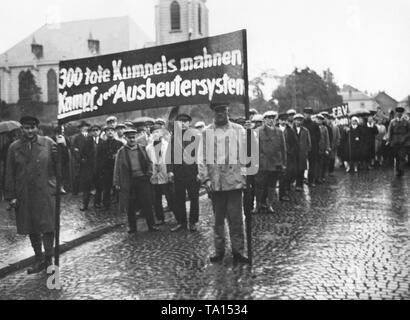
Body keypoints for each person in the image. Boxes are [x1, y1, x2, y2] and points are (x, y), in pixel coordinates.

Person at [5, 116, 58, 274]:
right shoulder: (14, 147)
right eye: (26, 128)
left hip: (45, 191)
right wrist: (11, 195)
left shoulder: (48, 142)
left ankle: (49, 259)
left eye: (32, 127)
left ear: (37, 128)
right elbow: (9, 173)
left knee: (48, 226)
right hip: (25, 193)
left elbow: (60, 162)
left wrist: (62, 147)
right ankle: (39, 259)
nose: (29, 131)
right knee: (32, 227)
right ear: (21, 129)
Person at [198, 102, 249, 264]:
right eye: (217, 111)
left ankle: (238, 251)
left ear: (228, 111)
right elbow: (201, 158)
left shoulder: (239, 130)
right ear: (213, 113)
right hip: (216, 183)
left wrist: (246, 177)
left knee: (236, 219)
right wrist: (205, 179)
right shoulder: (206, 133)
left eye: (223, 111)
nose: (220, 114)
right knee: (218, 220)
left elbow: (247, 155)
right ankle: (219, 250)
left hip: (234, 182)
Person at [113, 128, 160, 233]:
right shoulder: (121, 152)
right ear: (126, 138)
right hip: (129, 181)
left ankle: (151, 225)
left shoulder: (142, 148)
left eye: (133, 137)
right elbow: (117, 168)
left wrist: (149, 173)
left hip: (142, 179)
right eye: (129, 138)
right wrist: (116, 182)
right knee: (130, 205)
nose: (132, 140)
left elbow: (150, 162)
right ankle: (132, 227)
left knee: (147, 203)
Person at [168, 113, 201, 232]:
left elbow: (199, 154)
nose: (182, 124)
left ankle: (193, 222)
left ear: (189, 123)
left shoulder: (195, 136)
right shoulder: (174, 137)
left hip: (192, 172)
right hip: (178, 173)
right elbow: (169, 155)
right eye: (180, 122)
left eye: (185, 121)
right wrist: (170, 171)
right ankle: (181, 222)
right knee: (179, 199)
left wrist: (199, 172)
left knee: (194, 198)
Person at [253, 110, 287, 214]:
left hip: (275, 163)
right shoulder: (258, 131)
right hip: (262, 164)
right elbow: (254, 148)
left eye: (273, 118)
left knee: (272, 185)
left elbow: (283, 148)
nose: (271, 120)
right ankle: (258, 204)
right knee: (259, 186)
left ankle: (269, 204)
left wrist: (284, 163)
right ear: (264, 120)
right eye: (268, 118)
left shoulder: (279, 132)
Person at [146, 125, 175, 225]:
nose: (156, 134)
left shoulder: (167, 145)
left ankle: (176, 215)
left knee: (170, 195)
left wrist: (170, 172)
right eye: (154, 132)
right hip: (154, 175)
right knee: (156, 198)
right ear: (151, 134)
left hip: (165, 172)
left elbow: (171, 160)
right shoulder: (148, 148)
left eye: (158, 132)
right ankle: (160, 218)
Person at [97, 125, 124, 210]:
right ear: (105, 133)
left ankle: (121, 205)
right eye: (108, 130)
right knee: (106, 188)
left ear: (114, 132)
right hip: (106, 170)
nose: (110, 132)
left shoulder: (119, 144)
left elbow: (123, 157)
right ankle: (106, 205)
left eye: (112, 130)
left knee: (119, 187)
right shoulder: (102, 145)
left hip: (117, 169)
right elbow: (99, 158)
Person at [80, 124, 103, 211]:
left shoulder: (102, 142)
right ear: (91, 132)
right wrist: (85, 162)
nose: (95, 132)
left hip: (99, 169)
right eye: (93, 130)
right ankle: (85, 204)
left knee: (99, 187)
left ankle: (97, 203)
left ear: (100, 131)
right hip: (89, 169)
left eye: (97, 130)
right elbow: (82, 155)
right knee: (87, 187)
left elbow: (104, 156)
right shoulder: (87, 142)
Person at [278, 113, 297, 201]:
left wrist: (291, 152)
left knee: (286, 174)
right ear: (278, 120)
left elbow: (294, 143)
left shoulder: (290, 130)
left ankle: (283, 193)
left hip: (287, 156)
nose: (283, 121)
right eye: (281, 120)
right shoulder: (275, 129)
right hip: (276, 155)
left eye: (285, 120)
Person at [386, 106, 410, 176]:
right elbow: (390, 132)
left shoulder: (406, 122)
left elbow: (409, 131)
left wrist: (405, 137)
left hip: (404, 142)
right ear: (396, 113)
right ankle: (397, 169)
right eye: (398, 112)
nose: (399, 114)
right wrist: (389, 140)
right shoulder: (392, 122)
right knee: (396, 156)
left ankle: (401, 170)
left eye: (401, 112)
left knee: (401, 156)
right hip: (395, 141)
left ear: (402, 113)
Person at [71, 121, 90, 195]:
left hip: (88, 159)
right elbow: (74, 148)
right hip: (79, 159)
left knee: (87, 175)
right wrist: (78, 158)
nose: (85, 128)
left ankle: (87, 190)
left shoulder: (90, 136)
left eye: (86, 127)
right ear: (80, 129)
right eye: (83, 127)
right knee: (78, 174)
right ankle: (76, 191)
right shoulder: (77, 137)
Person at [293, 114, 311, 191]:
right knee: (293, 169)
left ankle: (299, 185)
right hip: (293, 153)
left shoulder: (305, 130)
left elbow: (309, 142)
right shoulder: (291, 129)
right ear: (294, 121)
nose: (298, 122)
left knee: (301, 169)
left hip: (302, 153)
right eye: (297, 120)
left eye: (300, 120)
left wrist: (307, 150)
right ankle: (292, 183)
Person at [303, 107, 321, 187]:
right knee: (302, 164)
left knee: (312, 165)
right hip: (303, 148)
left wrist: (313, 143)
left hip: (313, 148)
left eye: (309, 114)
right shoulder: (301, 123)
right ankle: (300, 180)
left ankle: (311, 181)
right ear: (304, 114)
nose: (308, 115)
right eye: (306, 114)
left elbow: (318, 136)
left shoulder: (314, 124)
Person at [315, 114, 331, 183]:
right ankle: (315, 177)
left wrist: (327, 148)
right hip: (315, 148)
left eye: (320, 119)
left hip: (322, 148)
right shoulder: (314, 127)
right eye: (318, 119)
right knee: (315, 164)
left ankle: (321, 177)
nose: (319, 121)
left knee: (321, 163)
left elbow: (327, 139)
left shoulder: (325, 128)